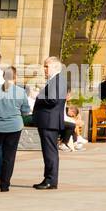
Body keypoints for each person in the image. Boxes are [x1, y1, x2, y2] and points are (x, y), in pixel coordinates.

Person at [32, 57, 66, 190]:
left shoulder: (58, 80)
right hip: (48, 121)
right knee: (49, 152)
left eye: (46, 66)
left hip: (49, 121)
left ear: (55, 67)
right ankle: (48, 178)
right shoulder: (55, 80)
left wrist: (38, 96)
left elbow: (52, 100)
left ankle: (50, 180)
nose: (44, 69)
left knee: (50, 152)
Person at [0, 66, 28, 192]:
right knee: (9, 156)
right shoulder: (21, 92)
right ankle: (5, 184)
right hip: (14, 127)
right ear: (15, 77)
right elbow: (26, 111)